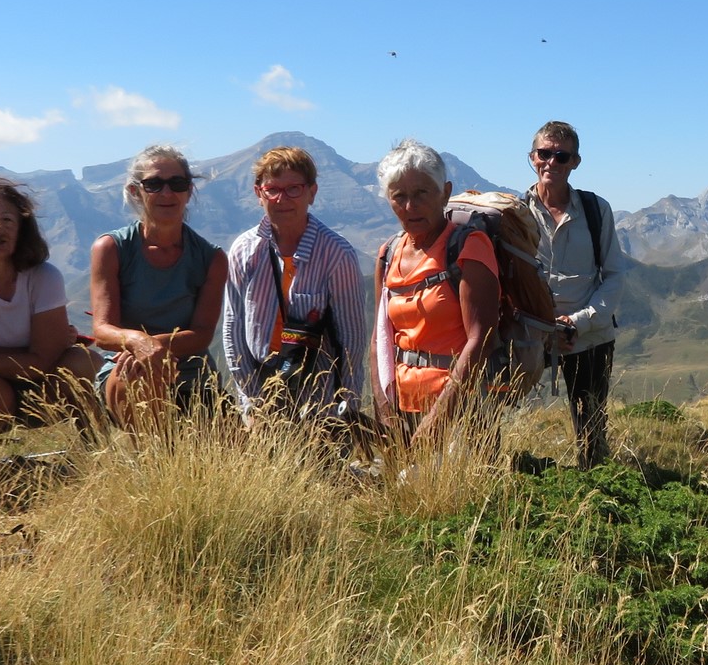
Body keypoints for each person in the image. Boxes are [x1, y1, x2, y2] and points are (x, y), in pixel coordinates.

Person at [0, 176, 101, 460]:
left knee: (87, 363)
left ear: (22, 227)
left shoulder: (44, 276)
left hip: (42, 385)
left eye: (7, 220)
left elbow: (39, 364)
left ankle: (94, 452)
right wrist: (36, 350)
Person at [220, 145, 370, 433]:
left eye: (293, 189)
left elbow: (351, 339)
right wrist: (252, 400)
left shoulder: (336, 254)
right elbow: (233, 327)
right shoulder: (244, 250)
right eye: (272, 189)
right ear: (258, 193)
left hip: (320, 399)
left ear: (311, 192)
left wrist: (346, 406)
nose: (281, 199)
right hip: (260, 390)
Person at [371, 139, 501, 449]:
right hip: (403, 407)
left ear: (445, 192)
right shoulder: (388, 254)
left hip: (462, 411)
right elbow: (379, 339)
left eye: (421, 193)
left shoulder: (468, 248)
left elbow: (480, 338)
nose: (410, 206)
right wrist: (385, 411)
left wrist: (438, 419)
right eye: (399, 196)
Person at [89, 144, 227, 430]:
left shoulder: (211, 258)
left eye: (176, 183)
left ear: (189, 190)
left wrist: (154, 346)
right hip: (126, 369)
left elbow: (201, 335)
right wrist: (140, 345)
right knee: (142, 375)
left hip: (193, 377)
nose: (166, 193)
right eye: (153, 184)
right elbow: (102, 331)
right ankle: (151, 468)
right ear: (135, 191)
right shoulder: (111, 248)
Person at [525, 120, 626, 467]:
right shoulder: (515, 214)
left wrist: (576, 324)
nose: (551, 162)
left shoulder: (597, 211)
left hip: (589, 337)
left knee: (591, 427)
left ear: (575, 162)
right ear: (531, 157)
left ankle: (595, 489)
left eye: (561, 155)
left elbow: (613, 275)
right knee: (499, 409)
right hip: (529, 335)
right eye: (544, 153)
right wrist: (542, 326)